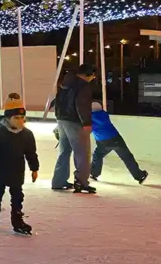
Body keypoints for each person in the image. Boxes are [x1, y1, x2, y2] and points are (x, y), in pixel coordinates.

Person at [0, 96, 38, 235]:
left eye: (22, 118)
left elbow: (31, 153)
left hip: (17, 170)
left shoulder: (27, 135)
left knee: (17, 195)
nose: (20, 121)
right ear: (8, 118)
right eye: (16, 118)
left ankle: (17, 219)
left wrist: (34, 168)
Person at [52, 63, 97, 194]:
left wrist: (59, 119)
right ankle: (81, 182)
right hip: (75, 121)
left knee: (64, 151)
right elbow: (82, 105)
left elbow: (57, 102)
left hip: (62, 120)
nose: (92, 79)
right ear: (88, 74)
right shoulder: (83, 86)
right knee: (82, 153)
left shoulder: (65, 83)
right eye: (93, 76)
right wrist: (86, 123)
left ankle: (58, 181)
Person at [90, 101, 148, 184]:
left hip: (102, 142)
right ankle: (139, 176)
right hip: (115, 139)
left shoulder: (89, 119)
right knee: (127, 157)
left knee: (97, 156)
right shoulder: (105, 115)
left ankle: (94, 173)